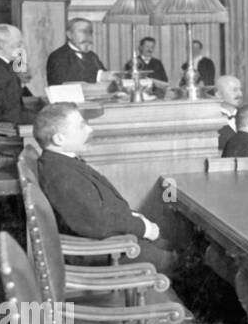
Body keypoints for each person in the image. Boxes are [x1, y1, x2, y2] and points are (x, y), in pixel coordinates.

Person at [35, 103, 175, 276]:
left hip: (109, 242)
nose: (89, 129)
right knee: (179, 262)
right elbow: (96, 223)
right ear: (59, 139)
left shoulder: (60, 162)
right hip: (100, 251)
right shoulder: (60, 174)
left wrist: (136, 220)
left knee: (173, 246)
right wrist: (144, 228)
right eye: (81, 125)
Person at [0, 24, 35, 124]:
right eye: (18, 43)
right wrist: (41, 119)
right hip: (4, 130)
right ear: (2, 45)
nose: (22, 47)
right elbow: (3, 114)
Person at [45, 18, 106, 86]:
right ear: (69, 34)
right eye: (83, 32)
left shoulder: (93, 56)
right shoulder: (57, 56)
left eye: (90, 32)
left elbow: (106, 76)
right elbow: (64, 83)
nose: (88, 37)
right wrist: (100, 76)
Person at [214, 74, 243, 152]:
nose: (240, 94)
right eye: (234, 90)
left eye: (241, 90)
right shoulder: (211, 119)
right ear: (219, 95)